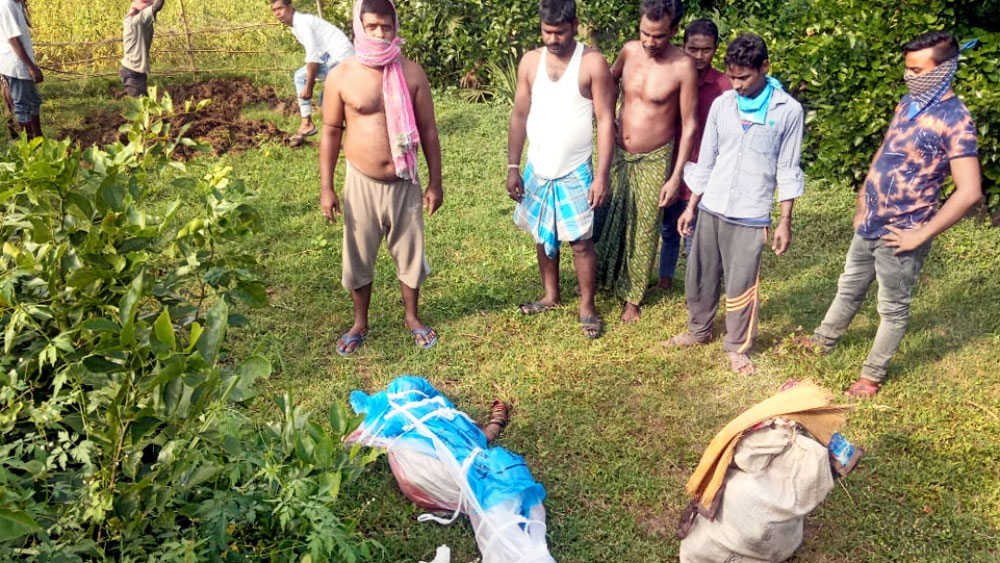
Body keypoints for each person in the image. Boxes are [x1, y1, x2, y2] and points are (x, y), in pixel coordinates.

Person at [800, 31, 981, 398]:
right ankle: (823, 340)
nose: (910, 77)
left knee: (892, 308)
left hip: (904, 229)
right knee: (849, 286)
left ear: (944, 69)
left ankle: (871, 374)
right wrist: (863, 199)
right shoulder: (907, 104)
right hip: (871, 220)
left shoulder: (956, 120)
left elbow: (970, 191)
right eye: (907, 70)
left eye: (918, 70)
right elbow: (884, 152)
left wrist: (920, 234)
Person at [665, 33, 805, 376]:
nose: (737, 84)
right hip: (712, 205)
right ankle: (698, 330)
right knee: (700, 274)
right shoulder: (722, 105)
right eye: (732, 77)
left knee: (742, 283)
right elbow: (707, 158)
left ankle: (737, 347)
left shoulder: (788, 111)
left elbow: (788, 168)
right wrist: (691, 205)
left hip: (751, 212)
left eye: (744, 77)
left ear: (764, 68)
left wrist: (784, 220)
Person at [318, 0, 443, 356]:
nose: (379, 33)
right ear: (359, 26)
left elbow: (430, 131)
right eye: (371, 26)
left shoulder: (412, 73)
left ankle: (412, 318)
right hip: (361, 181)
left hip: (405, 181)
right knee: (358, 255)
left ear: (395, 26)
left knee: (410, 253)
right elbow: (329, 132)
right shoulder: (342, 76)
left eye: (386, 27)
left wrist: (435, 182)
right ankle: (360, 322)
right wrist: (327, 188)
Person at [507, 0, 615, 339]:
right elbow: (519, 115)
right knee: (543, 233)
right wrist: (513, 166)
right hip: (538, 167)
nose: (553, 38)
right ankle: (551, 295)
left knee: (581, 242)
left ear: (575, 25)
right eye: (547, 31)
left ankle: (587, 306)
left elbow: (605, 120)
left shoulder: (592, 63)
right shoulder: (530, 62)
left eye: (561, 31)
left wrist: (601, 175)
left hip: (576, 170)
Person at [595, 0, 697, 323]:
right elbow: (609, 81)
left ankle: (633, 298)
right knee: (610, 215)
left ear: (674, 31)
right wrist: (606, 116)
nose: (650, 42)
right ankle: (606, 280)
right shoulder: (628, 51)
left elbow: (690, 123)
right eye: (645, 34)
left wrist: (675, 175)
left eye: (659, 36)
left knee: (645, 226)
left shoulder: (683, 66)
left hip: (655, 157)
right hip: (618, 151)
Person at [655, 17, 732, 292]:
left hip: (706, 168)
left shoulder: (724, 86)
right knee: (667, 227)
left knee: (694, 231)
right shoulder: (670, 76)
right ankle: (664, 279)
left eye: (706, 50)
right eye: (693, 49)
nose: (699, 56)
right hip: (671, 163)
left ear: (715, 50)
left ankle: (696, 286)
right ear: (683, 46)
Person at [272, 0, 355, 141]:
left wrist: (308, 87)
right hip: (335, 58)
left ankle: (307, 123)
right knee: (328, 102)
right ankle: (349, 130)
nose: (277, 13)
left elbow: (313, 58)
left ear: (290, 7)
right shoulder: (296, 26)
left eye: (280, 8)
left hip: (339, 58)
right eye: (274, 10)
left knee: (306, 82)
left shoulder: (302, 23)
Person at [0, 0, 41, 139]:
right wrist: (31, 66)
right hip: (16, 64)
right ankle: (29, 145)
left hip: (22, 62)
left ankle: (39, 139)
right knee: (22, 106)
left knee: (35, 101)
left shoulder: (17, 3)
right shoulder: (6, 4)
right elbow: (13, 39)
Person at [120, 0, 166, 98]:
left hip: (134, 71)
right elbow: (157, 6)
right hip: (133, 73)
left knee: (144, 105)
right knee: (141, 106)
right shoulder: (138, 20)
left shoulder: (132, 19)